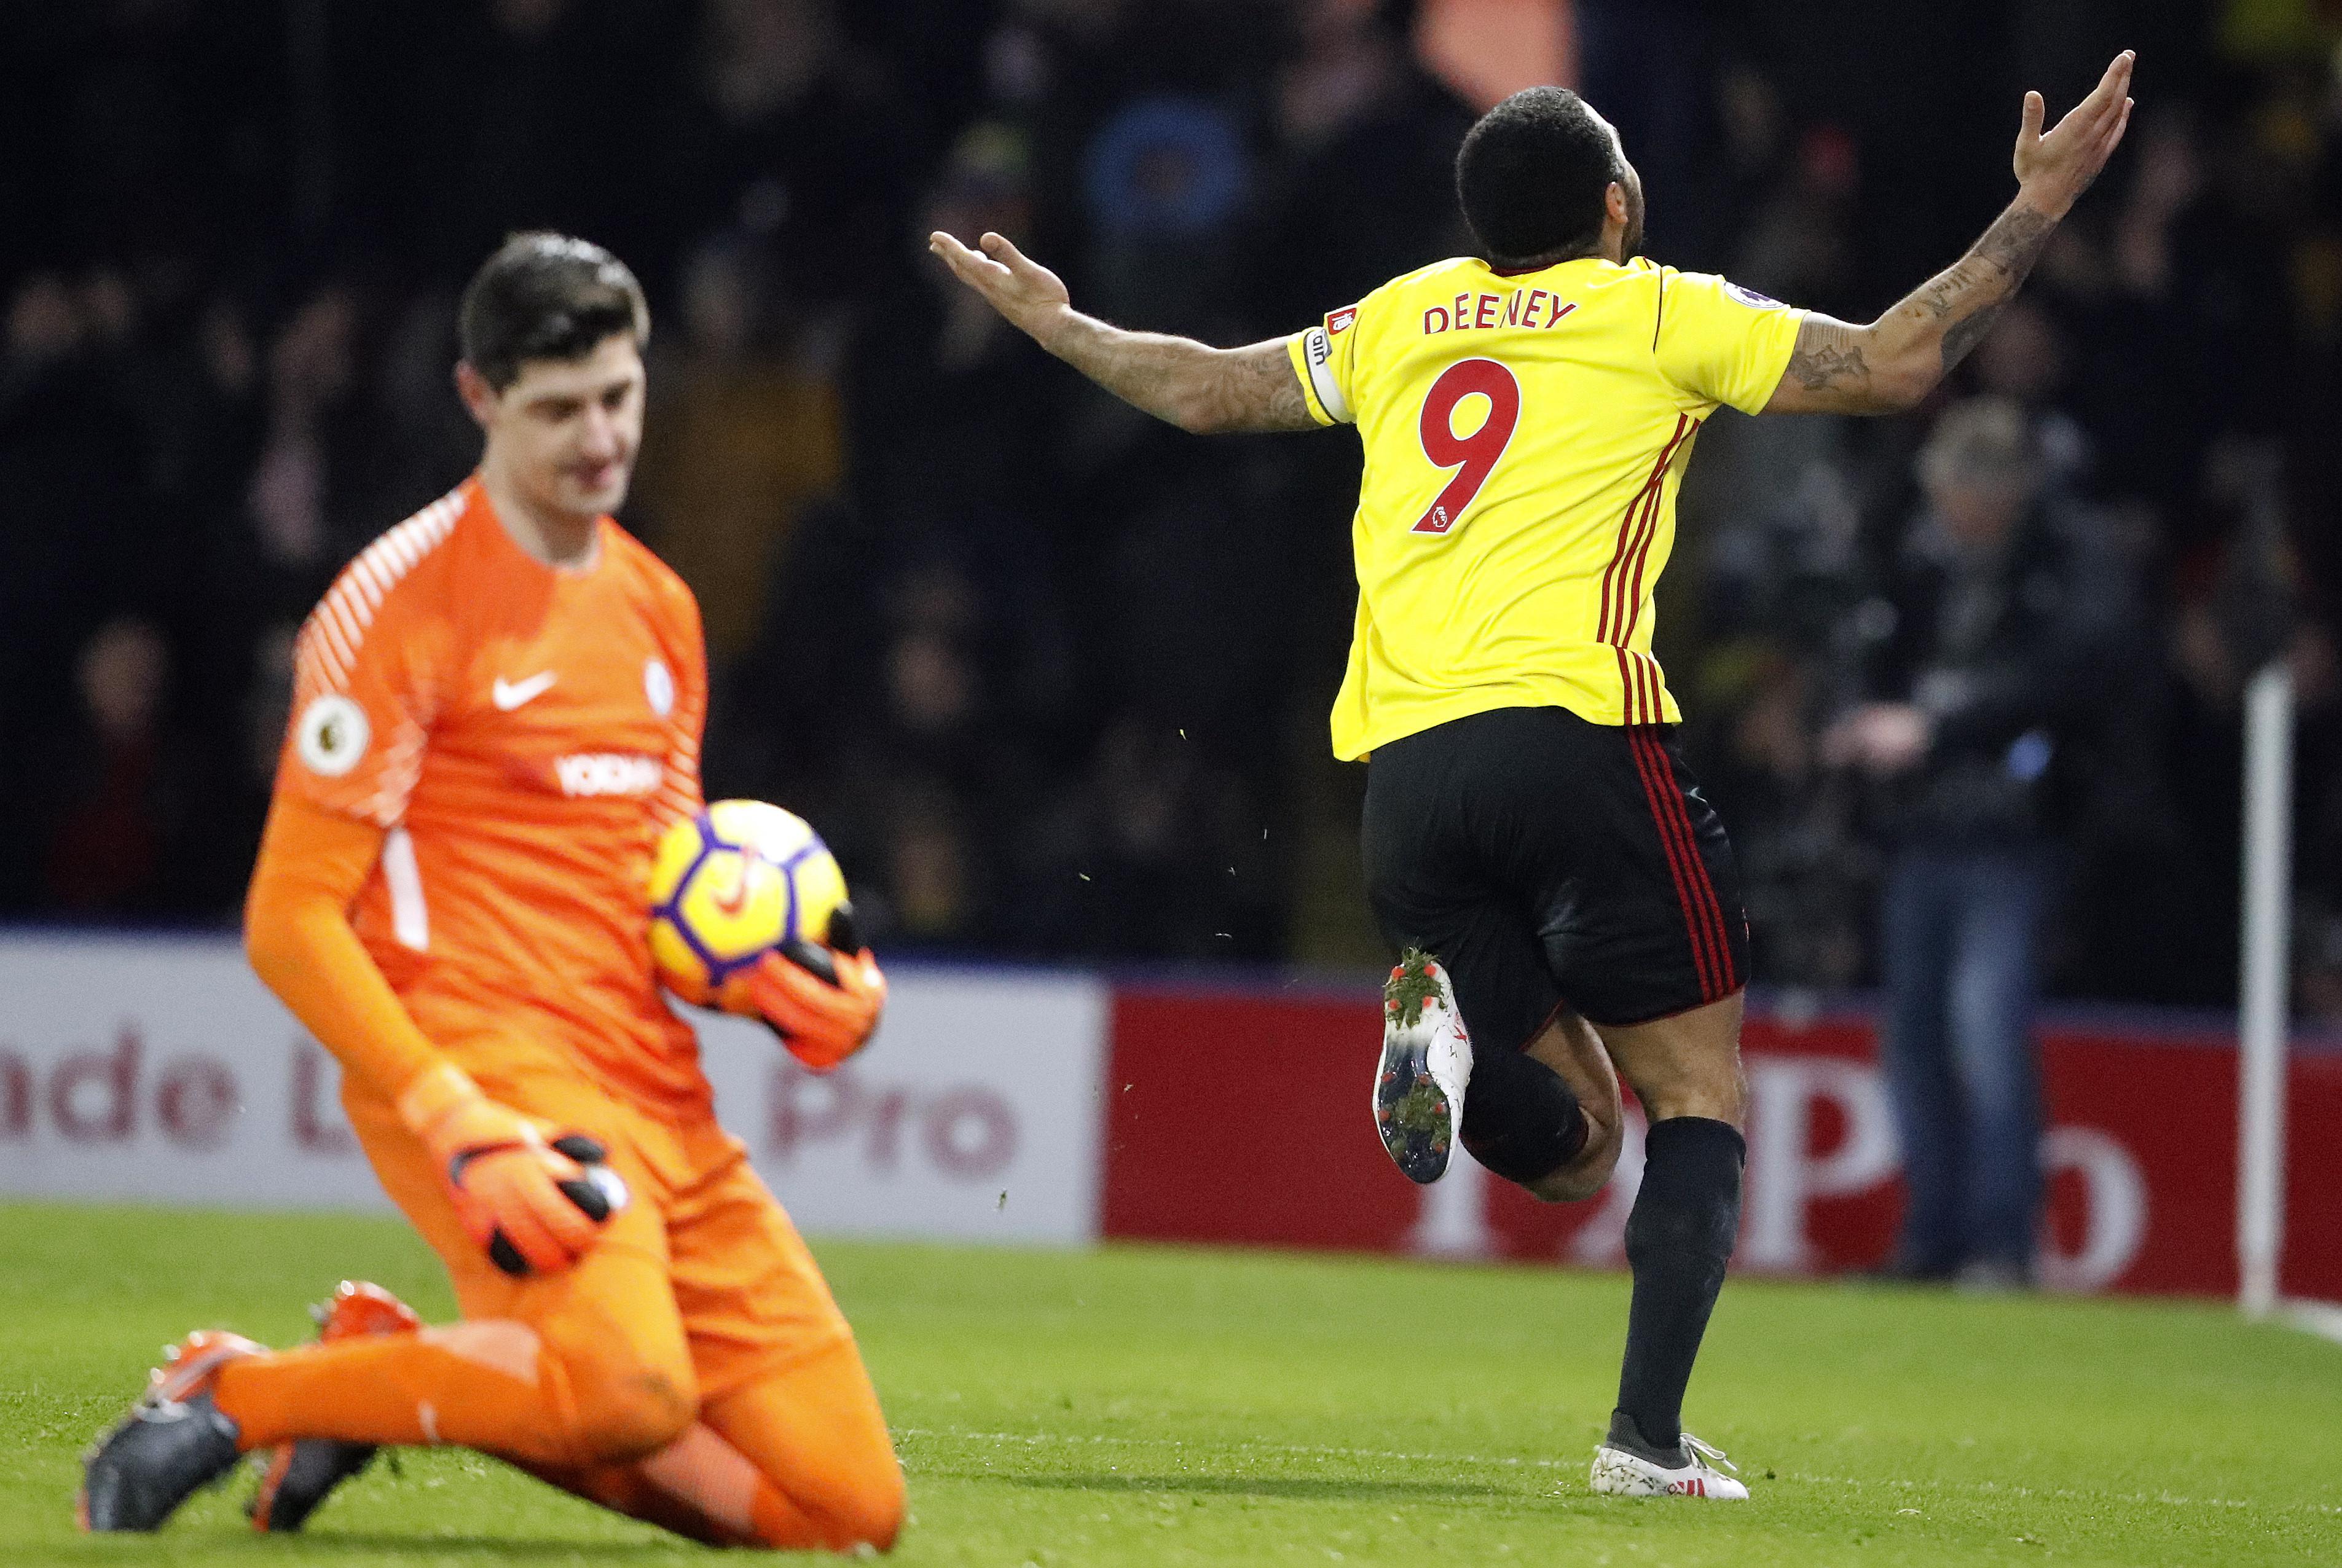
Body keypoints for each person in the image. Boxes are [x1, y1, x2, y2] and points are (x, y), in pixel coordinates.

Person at [932, 53, 2136, 1499]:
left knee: (1568, 1148)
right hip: (1576, 735)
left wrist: (1067, 327)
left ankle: (1442, 1052)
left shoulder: (1402, 318)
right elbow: (1890, 360)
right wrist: (2036, 209)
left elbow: (1206, 394)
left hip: (1406, 778)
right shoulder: (1656, 311)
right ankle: (1642, 1443)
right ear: (1617, 203)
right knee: (1696, 1095)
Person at [79, 233, 902, 1552]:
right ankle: (240, 1393)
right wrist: (454, 1117)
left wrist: (778, 984)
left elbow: (656, 882)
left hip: (650, 1082)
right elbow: (288, 920)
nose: (600, 438)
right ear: (480, 399)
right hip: (480, 1064)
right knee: (631, 1389)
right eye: (560, 408)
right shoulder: (397, 607)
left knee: (844, 1512)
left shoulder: (660, 611)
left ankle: (384, 1387)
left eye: (620, 398)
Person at [1826, 398, 2134, 1288]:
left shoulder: (2068, 560)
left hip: (2016, 834)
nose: (1953, 517)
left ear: (2002, 494)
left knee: (1988, 1033)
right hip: (1921, 829)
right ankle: (1932, 1243)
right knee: (1914, 1035)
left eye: (1966, 500)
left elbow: (2076, 673)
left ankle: (2003, 1247)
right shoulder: (1920, 558)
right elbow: (1875, 655)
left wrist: (1936, 725)